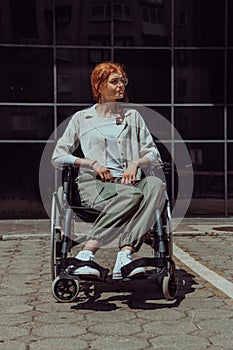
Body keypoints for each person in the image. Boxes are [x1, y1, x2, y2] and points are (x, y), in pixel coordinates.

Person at [52, 61, 166, 279]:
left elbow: (153, 154)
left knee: (156, 185)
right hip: (95, 185)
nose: (121, 86)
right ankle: (87, 253)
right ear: (99, 86)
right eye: (114, 81)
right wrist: (90, 163)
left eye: (123, 81)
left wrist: (136, 163)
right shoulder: (81, 118)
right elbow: (58, 156)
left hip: (129, 183)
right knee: (133, 195)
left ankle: (125, 255)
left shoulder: (133, 117)